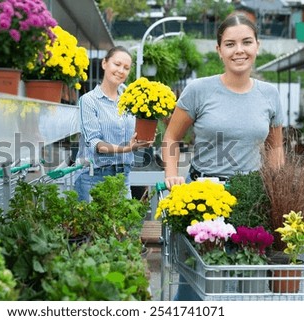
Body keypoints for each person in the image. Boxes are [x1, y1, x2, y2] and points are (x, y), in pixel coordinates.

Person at [161, 13, 285, 300]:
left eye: (246, 42)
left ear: (258, 45)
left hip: (251, 198)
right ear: (219, 50)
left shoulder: (270, 94)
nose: (238, 50)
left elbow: (275, 146)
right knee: (196, 282)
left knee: (248, 280)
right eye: (230, 44)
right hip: (203, 197)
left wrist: (277, 186)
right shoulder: (198, 90)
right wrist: (170, 174)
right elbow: (171, 137)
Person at [74, 46, 151, 202]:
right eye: (117, 64)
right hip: (94, 177)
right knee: (94, 226)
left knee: (125, 225)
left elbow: (136, 132)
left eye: (126, 68)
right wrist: (128, 149)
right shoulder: (89, 101)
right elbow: (95, 144)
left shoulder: (130, 101)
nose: (121, 70)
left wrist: (144, 137)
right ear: (104, 64)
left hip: (123, 175)